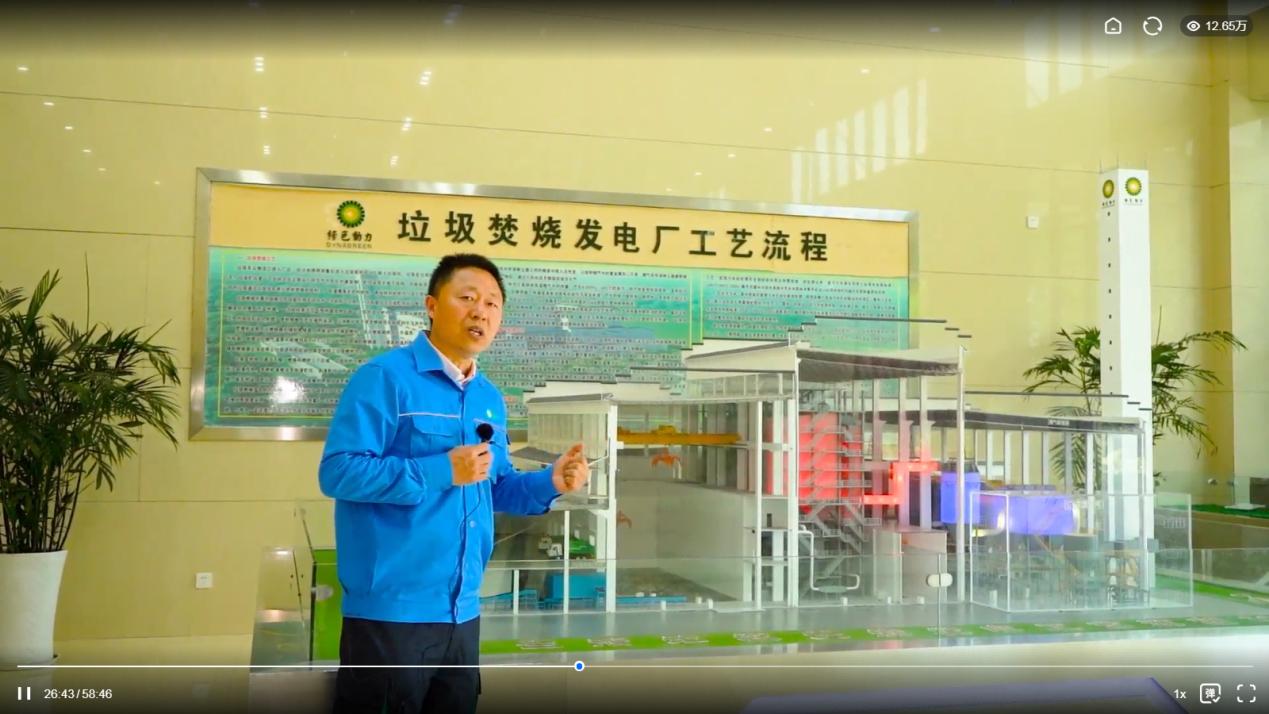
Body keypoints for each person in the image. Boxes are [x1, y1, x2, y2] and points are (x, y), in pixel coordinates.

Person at [318, 253, 589, 714]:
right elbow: (339, 472)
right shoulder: (384, 378)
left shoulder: (488, 397)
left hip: (463, 611)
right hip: (392, 612)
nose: (480, 312)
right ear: (431, 305)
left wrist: (550, 482)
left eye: (492, 303)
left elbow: (493, 487)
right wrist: (442, 470)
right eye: (467, 298)